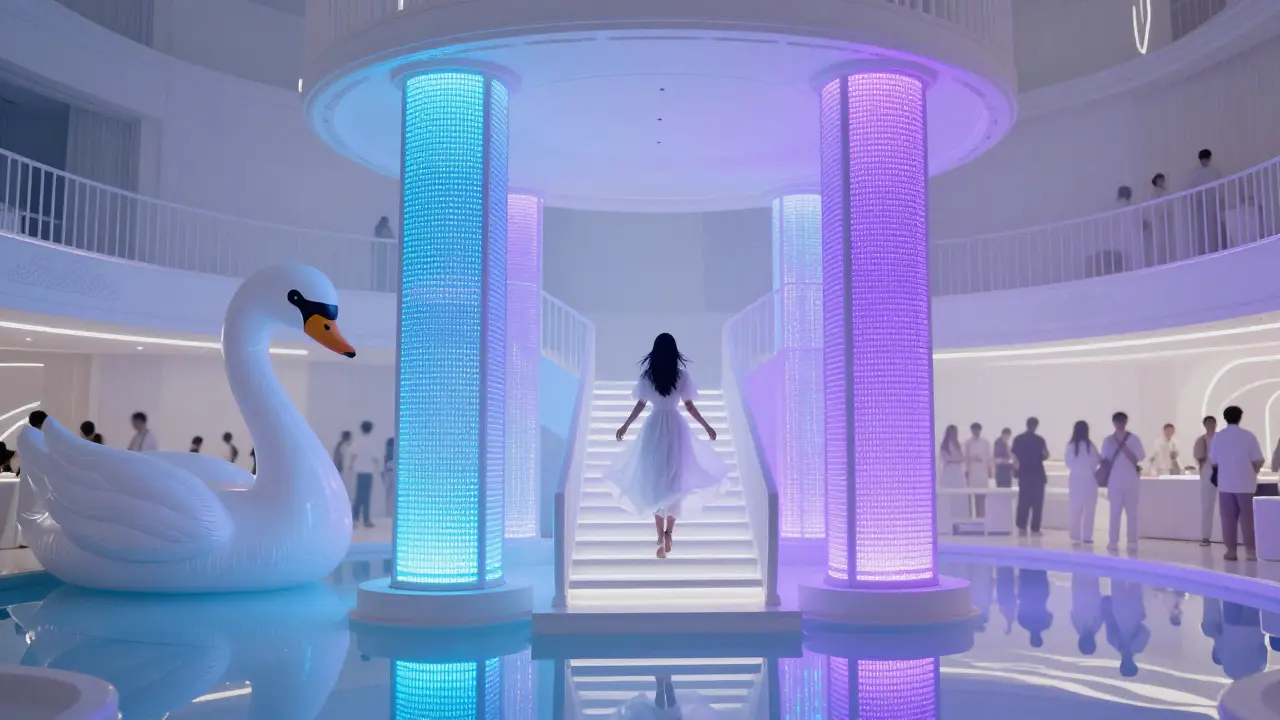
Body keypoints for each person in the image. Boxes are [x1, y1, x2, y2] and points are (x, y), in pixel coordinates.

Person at [610, 333, 728, 559]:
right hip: (675, 427)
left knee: (655, 481)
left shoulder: (648, 377)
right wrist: (707, 427)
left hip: (654, 427)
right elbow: (690, 407)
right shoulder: (681, 376)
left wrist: (625, 426)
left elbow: (640, 405)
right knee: (675, 480)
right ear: (674, 352)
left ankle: (658, 536)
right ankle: (669, 533)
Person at [1211, 405, 1264, 562]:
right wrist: (1254, 471)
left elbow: (1213, 462)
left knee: (1228, 518)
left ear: (1225, 418)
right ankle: (1250, 551)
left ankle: (1231, 551)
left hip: (1226, 484)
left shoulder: (1218, 437)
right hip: (1246, 483)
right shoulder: (1248, 436)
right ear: (1240, 417)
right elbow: (1258, 460)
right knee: (1248, 518)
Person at [1101, 411, 1144, 553]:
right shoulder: (1108, 441)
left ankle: (1132, 541)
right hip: (1114, 481)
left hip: (1131, 481)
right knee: (1114, 513)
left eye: (1122, 421)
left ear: (1126, 422)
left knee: (1132, 513)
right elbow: (1104, 459)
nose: (1119, 424)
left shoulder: (1133, 439)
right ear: (1113, 423)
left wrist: (1126, 450)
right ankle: (1113, 541)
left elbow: (1139, 457)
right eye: (1117, 421)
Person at [1011, 417, 1050, 536]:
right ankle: (1035, 528)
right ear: (1036, 426)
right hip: (1037, 474)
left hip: (1024, 474)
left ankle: (1021, 526)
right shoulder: (1039, 440)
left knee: (1023, 501)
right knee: (1037, 502)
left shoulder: (1018, 439)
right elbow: (1045, 454)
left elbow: (1014, 455)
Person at [1065, 420, 1101, 545]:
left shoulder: (1071, 446)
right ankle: (1087, 536)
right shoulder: (1091, 446)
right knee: (1089, 508)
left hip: (1075, 479)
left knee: (1075, 507)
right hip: (1090, 479)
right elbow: (1097, 461)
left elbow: (1068, 462)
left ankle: (1075, 535)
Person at [1186, 148, 1224, 254]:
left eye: (1207, 159)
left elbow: (1219, 189)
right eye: (1204, 159)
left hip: (1212, 206)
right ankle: (1203, 252)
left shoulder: (1215, 172)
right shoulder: (1195, 174)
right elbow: (1192, 190)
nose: (1206, 161)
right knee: (1201, 231)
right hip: (1200, 207)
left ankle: (1214, 250)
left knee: (1214, 230)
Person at [347, 421, 381, 529]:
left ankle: (354, 518)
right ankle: (366, 520)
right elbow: (376, 458)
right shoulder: (372, 442)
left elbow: (353, 454)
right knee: (366, 497)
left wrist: (351, 466)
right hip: (368, 471)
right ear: (371, 429)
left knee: (358, 496)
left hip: (359, 471)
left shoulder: (358, 441)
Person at [1194, 416, 1218, 547]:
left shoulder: (1221, 439)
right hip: (1207, 476)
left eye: (1212, 423)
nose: (1211, 425)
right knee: (1207, 507)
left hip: (1222, 476)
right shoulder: (1201, 441)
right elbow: (1198, 456)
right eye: (1208, 423)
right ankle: (1205, 537)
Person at [938, 425, 968, 525]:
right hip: (949, 471)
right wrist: (956, 459)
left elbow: (962, 457)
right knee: (949, 495)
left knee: (959, 495)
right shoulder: (945, 445)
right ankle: (948, 519)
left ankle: (960, 518)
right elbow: (946, 458)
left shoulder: (957, 444)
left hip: (957, 471)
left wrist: (957, 459)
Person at [964, 422, 993, 519]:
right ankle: (972, 518)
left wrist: (990, 472)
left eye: (977, 430)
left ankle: (982, 518)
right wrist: (966, 471)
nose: (976, 432)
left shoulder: (985, 442)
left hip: (982, 472)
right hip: (972, 472)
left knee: (982, 497)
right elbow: (966, 458)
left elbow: (989, 458)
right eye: (974, 430)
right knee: (971, 497)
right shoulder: (968, 443)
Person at [1071, 572, 1104, 656]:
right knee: (1090, 574)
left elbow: (1072, 613)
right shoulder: (1095, 626)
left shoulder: (1079, 626)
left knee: (1082, 574)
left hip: (1081, 594)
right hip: (1090, 595)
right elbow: (1072, 613)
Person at [382, 437, 396, 519]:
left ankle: (388, 513)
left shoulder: (387, 455)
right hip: (391, 474)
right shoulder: (394, 454)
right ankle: (389, 514)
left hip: (388, 474)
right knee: (391, 495)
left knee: (388, 495)